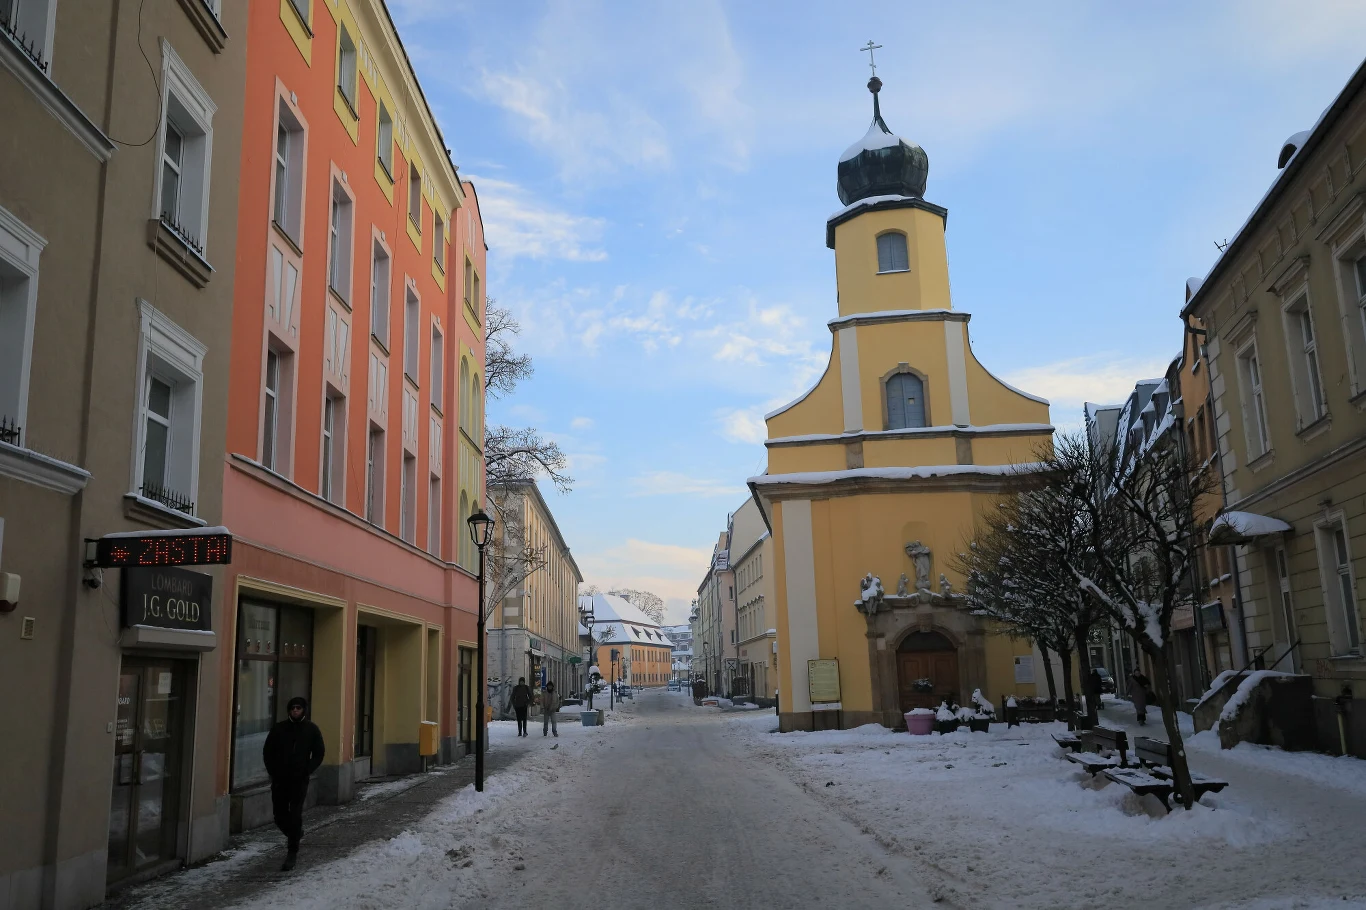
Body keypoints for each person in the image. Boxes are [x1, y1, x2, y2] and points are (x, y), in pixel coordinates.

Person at [262, 696, 325, 871]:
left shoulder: (311, 729)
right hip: (280, 779)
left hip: (299, 780)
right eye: (292, 708)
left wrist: (307, 770)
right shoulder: (279, 729)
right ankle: (295, 834)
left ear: (304, 710)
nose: (295, 711)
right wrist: (273, 771)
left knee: (296, 814)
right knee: (279, 815)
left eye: (298, 708)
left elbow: (319, 753)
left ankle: (292, 852)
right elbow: (268, 752)